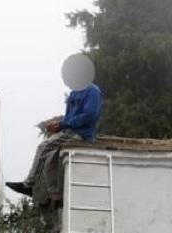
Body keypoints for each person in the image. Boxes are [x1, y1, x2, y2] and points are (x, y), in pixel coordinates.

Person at [6, 55, 102, 198]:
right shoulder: (74, 93)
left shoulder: (93, 91)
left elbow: (90, 116)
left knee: (43, 147)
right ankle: (56, 197)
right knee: (49, 160)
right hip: (69, 131)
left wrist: (64, 124)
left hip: (81, 134)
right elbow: (70, 118)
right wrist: (58, 126)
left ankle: (28, 185)